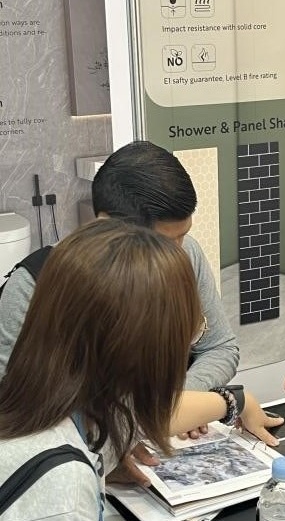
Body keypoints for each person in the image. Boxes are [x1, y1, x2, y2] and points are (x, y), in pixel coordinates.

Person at [0, 219, 283, 521]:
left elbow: (136, 420)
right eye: (189, 334)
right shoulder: (57, 488)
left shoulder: (49, 408)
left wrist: (234, 401)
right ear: (144, 351)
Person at [0, 141, 238, 394]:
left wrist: (179, 401)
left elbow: (220, 347)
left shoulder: (187, 252)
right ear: (107, 226)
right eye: (164, 242)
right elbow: (14, 397)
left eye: (183, 235)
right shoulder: (33, 285)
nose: (179, 252)